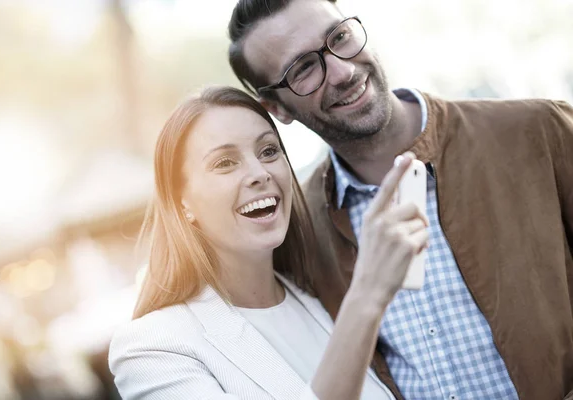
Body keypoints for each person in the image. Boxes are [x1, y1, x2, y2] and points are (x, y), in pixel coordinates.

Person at [227, 0, 573, 399]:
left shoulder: (540, 133)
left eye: (339, 37)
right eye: (303, 69)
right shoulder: (298, 233)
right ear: (276, 109)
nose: (342, 71)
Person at [108, 86, 430, 399]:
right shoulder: (151, 348)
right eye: (224, 163)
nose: (259, 173)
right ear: (182, 203)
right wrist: (367, 296)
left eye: (268, 151)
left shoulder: (319, 303)